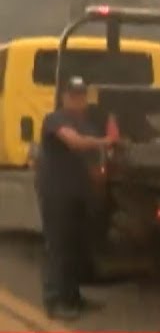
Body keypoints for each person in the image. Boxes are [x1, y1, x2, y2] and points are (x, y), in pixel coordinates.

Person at [35, 76, 117, 320]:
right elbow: (76, 143)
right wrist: (105, 141)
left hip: (79, 194)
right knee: (58, 247)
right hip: (56, 194)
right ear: (64, 97)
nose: (78, 99)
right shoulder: (55, 119)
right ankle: (54, 302)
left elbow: (94, 159)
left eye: (81, 95)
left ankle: (73, 299)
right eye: (73, 95)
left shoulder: (88, 125)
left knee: (75, 247)